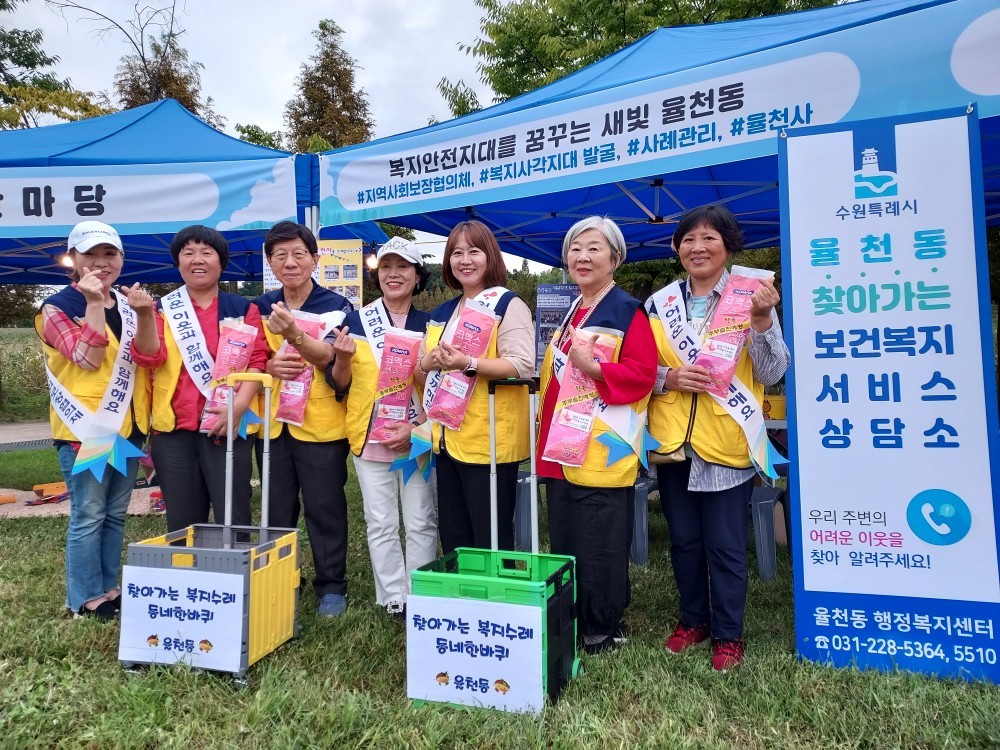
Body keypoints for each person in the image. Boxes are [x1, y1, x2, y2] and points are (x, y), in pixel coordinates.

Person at [646, 204, 790, 672]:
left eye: (709, 238)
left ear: (728, 246)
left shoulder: (752, 296)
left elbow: (774, 371)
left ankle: (728, 633)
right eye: (688, 239)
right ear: (676, 248)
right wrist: (668, 376)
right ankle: (694, 621)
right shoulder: (660, 303)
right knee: (684, 541)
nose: (697, 247)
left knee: (725, 545)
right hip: (673, 443)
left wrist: (764, 321)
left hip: (726, 441)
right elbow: (638, 372)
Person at [537, 216, 657, 655]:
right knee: (568, 535)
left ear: (615, 258)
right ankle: (577, 613)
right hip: (562, 444)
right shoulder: (575, 309)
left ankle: (604, 624)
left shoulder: (627, 309)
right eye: (575, 249)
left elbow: (643, 375)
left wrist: (595, 370)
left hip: (602, 446)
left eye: (594, 248)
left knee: (601, 539)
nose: (582, 257)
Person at [35, 221, 161, 619]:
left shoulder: (126, 304)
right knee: (88, 513)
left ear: (122, 259)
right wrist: (92, 303)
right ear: (74, 259)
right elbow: (86, 358)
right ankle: (85, 598)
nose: (102, 263)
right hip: (85, 427)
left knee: (114, 512)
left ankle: (109, 587)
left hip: (128, 425)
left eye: (111, 255)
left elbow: (148, 355)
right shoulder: (57, 307)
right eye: (91, 255)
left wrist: (143, 315)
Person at [325, 237, 438, 619]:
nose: (394, 274)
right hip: (369, 437)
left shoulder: (433, 323)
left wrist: (417, 427)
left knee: (421, 519)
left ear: (417, 275)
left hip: (415, 439)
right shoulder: (354, 321)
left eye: (403, 267)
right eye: (386, 267)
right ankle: (393, 596)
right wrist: (340, 359)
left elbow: (440, 388)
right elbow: (338, 381)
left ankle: (421, 591)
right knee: (381, 520)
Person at [131, 225, 270, 534]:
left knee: (233, 517)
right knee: (182, 521)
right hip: (173, 428)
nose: (198, 260)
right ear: (177, 262)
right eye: (188, 253)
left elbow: (258, 361)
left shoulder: (242, 308)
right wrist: (143, 315)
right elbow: (149, 356)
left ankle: (234, 578)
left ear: (221, 262)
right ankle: (188, 578)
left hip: (227, 423)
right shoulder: (161, 309)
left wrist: (239, 407)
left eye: (207, 253)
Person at [414, 221, 534, 553]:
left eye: (474, 251)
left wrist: (467, 363)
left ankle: (494, 601)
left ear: (490, 257)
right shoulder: (442, 312)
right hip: (447, 438)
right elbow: (422, 369)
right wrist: (430, 362)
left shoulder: (508, 305)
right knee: (454, 532)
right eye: (457, 253)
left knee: (490, 534)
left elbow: (522, 364)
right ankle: (461, 598)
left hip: (490, 441)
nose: (465, 260)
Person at [253, 221, 353, 618]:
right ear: (270, 263)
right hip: (273, 426)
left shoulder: (338, 306)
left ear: (314, 259)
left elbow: (331, 357)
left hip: (321, 424)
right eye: (280, 255)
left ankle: (331, 586)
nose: (290, 262)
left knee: (324, 507)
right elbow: (245, 355)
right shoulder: (259, 307)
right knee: (276, 508)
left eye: (298, 254)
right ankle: (279, 578)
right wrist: (267, 365)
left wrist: (294, 334)